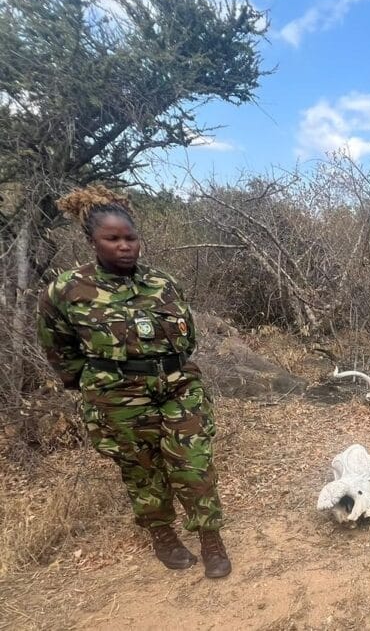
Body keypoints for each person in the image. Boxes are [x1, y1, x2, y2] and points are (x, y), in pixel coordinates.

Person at [37, 184, 231, 578]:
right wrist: (93, 384)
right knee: (141, 469)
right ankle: (163, 536)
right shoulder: (68, 290)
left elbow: (188, 335)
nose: (124, 246)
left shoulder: (162, 283)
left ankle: (211, 539)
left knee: (194, 465)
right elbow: (58, 346)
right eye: (112, 239)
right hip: (118, 396)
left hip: (178, 387)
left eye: (130, 237)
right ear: (92, 240)